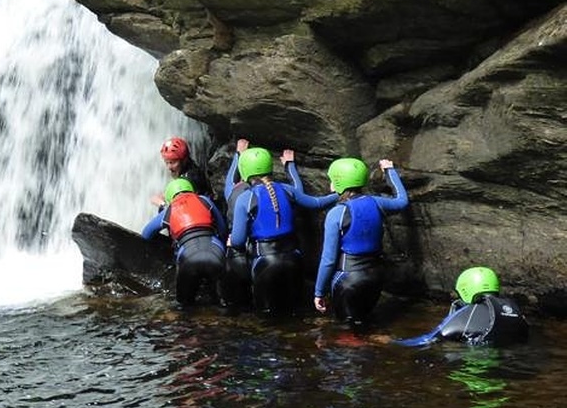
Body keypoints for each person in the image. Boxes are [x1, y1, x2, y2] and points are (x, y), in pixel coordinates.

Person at [225, 143, 339, 314]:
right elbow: (316, 203)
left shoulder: (245, 198)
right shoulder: (287, 190)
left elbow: (239, 241)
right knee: (294, 311)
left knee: (267, 317)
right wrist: (341, 192)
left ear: (244, 171)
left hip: (265, 262)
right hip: (294, 259)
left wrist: (231, 240)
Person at [313, 157, 409, 325]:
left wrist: (319, 292)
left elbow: (328, 260)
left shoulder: (337, 213)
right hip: (375, 277)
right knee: (364, 326)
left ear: (339, 182)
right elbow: (402, 201)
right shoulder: (376, 202)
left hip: (348, 279)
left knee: (346, 334)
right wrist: (390, 170)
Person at [141, 177, 227, 307]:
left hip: (188, 257)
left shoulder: (169, 210)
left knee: (185, 308)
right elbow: (223, 229)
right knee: (224, 304)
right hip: (215, 251)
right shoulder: (204, 201)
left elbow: (146, 234)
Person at [393, 266, 529, 347]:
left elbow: (430, 339)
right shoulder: (514, 310)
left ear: (465, 290)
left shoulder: (469, 312)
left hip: (477, 366)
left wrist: (392, 342)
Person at [150, 137, 215, 208]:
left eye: (172, 162)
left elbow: (179, 212)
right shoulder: (193, 169)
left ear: (184, 160)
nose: (169, 167)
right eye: (166, 162)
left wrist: (161, 204)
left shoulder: (187, 181)